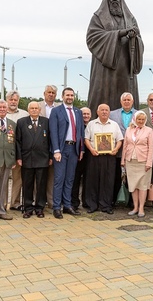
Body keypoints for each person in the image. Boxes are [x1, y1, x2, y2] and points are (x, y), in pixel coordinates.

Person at [86, 0, 144, 116]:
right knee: (104, 96)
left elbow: (139, 39)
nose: (114, 0)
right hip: (105, 67)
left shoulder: (130, 18)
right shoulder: (98, 17)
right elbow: (92, 37)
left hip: (125, 66)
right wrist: (120, 33)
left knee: (126, 97)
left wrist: (134, 37)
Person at [49, 87, 85, 219]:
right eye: (67, 95)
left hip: (74, 148)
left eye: (72, 95)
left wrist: (81, 149)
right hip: (61, 149)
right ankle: (57, 207)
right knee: (59, 179)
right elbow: (53, 131)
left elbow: (80, 131)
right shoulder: (56, 111)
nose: (70, 97)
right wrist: (56, 150)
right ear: (63, 97)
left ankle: (67, 205)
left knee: (70, 179)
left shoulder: (78, 112)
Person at [84, 104, 124, 214]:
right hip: (94, 156)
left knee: (108, 181)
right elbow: (86, 139)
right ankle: (92, 205)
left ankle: (106, 205)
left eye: (107, 110)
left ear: (109, 112)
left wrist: (116, 149)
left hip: (109, 157)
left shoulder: (114, 125)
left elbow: (120, 140)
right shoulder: (91, 124)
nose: (104, 112)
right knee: (93, 181)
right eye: (102, 110)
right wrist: (91, 149)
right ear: (97, 112)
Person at [15, 101, 50, 219]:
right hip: (27, 158)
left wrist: (50, 156)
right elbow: (18, 141)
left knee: (41, 185)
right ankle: (28, 208)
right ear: (28, 110)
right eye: (32, 108)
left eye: (36, 108)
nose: (34, 110)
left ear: (40, 110)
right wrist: (19, 157)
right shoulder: (21, 122)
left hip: (42, 158)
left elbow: (51, 141)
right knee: (27, 184)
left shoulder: (46, 122)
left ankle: (40, 208)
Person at [121, 110, 153, 217]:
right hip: (130, 161)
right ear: (135, 119)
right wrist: (123, 160)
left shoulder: (149, 130)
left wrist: (149, 162)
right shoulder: (128, 130)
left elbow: (151, 148)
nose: (140, 121)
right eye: (139, 119)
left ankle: (141, 208)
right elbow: (125, 146)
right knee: (133, 185)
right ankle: (135, 207)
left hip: (143, 162)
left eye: (143, 119)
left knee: (143, 186)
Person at [109, 92, 137, 205]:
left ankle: (131, 201)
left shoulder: (138, 114)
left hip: (133, 152)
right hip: (116, 150)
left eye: (128, 100)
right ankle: (114, 199)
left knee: (131, 176)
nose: (126, 102)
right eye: (124, 100)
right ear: (121, 102)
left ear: (132, 102)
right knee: (115, 175)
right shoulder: (112, 114)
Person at [5, 90, 29, 212]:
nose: (13, 102)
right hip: (4, 152)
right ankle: (2, 203)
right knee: (3, 179)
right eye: (11, 99)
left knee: (17, 179)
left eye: (15, 100)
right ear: (7, 100)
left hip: (18, 151)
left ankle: (15, 203)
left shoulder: (24, 114)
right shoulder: (1, 112)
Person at [39, 84, 60, 208]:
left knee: (52, 175)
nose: (51, 94)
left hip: (54, 143)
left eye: (53, 93)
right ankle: (39, 201)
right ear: (44, 94)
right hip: (40, 144)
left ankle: (51, 202)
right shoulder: (38, 106)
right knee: (40, 175)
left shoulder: (59, 107)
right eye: (49, 92)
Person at [72, 107, 91, 211]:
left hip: (90, 157)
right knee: (76, 180)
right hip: (78, 156)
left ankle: (86, 201)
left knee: (88, 180)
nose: (86, 116)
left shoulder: (92, 126)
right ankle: (74, 202)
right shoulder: (76, 125)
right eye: (84, 114)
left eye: (88, 114)